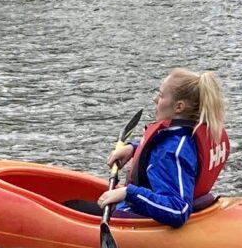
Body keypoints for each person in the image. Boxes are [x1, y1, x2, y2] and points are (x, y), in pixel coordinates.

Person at [88, 69, 230, 226]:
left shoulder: (170, 152)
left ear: (179, 107)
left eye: (161, 95)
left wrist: (128, 193)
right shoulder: (189, 134)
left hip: (139, 220)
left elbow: (178, 210)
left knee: (73, 205)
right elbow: (178, 158)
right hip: (166, 210)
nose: (155, 99)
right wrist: (133, 149)